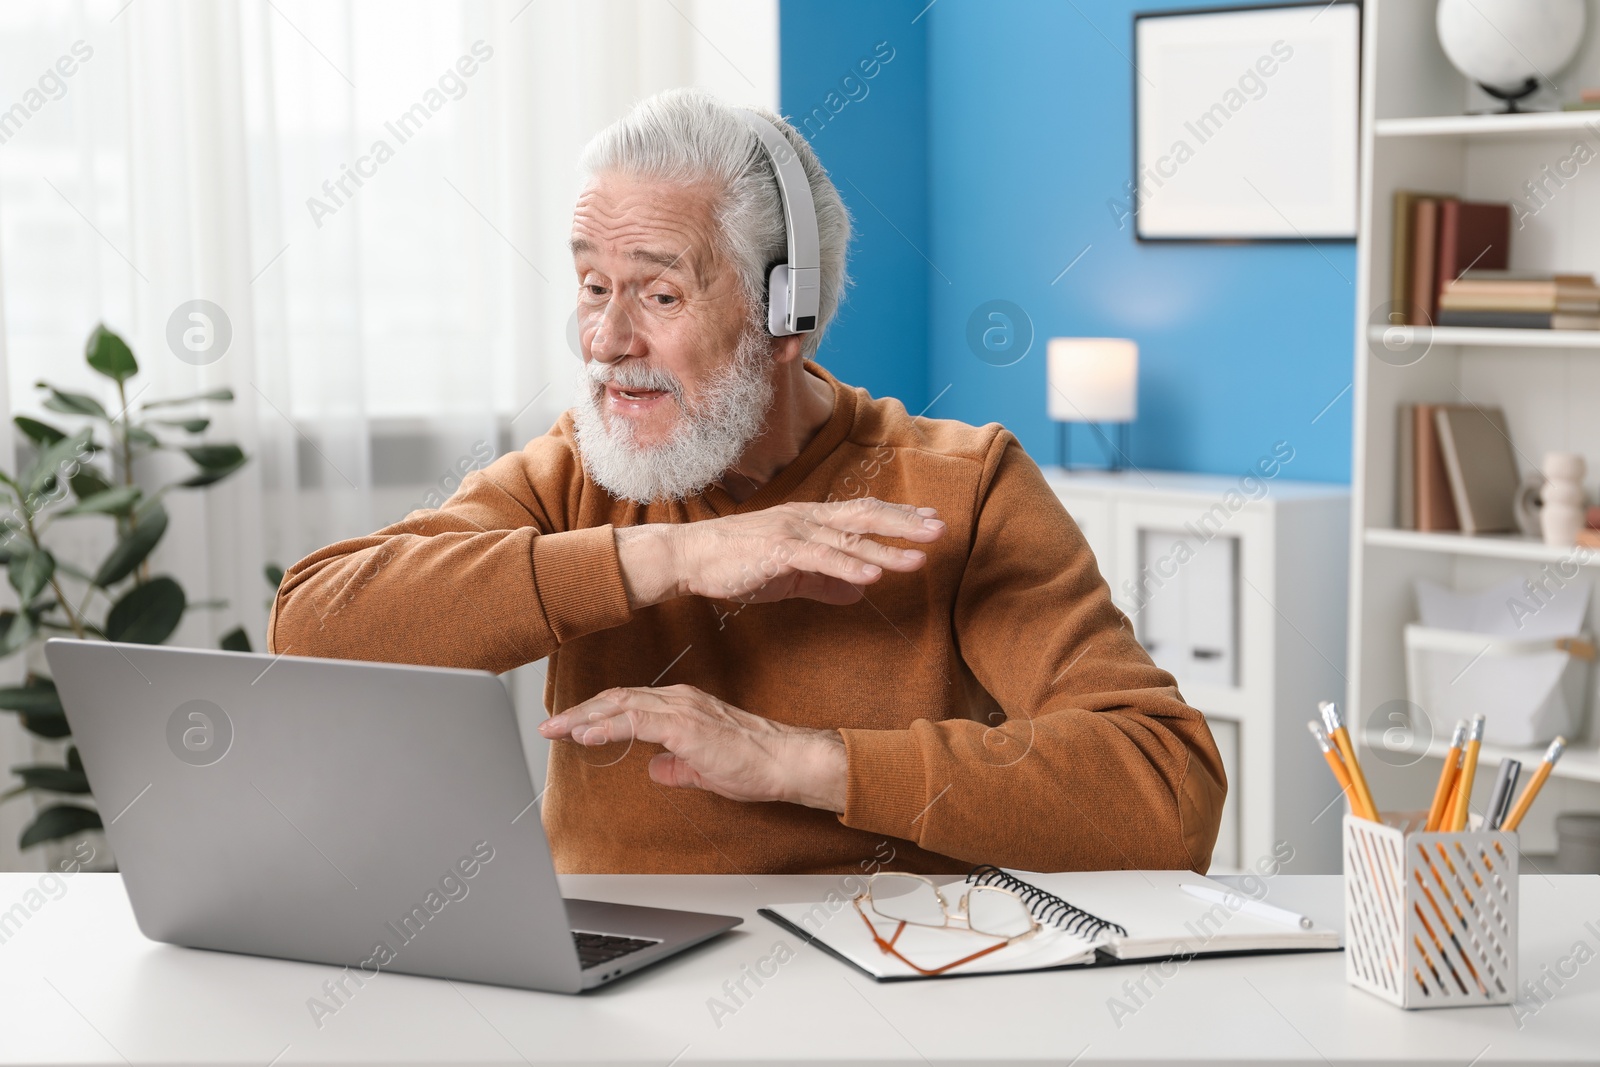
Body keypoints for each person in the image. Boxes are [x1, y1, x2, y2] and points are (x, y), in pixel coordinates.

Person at [268, 87, 1226, 876]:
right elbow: (313, 628)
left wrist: (801, 763)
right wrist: (669, 554)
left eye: (659, 292)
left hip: (887, 998)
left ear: (787, 318)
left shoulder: (962, 486)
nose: (604, 342)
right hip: (616, 1005)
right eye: (593, 286)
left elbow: (1167, 792)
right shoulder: (581, 471)